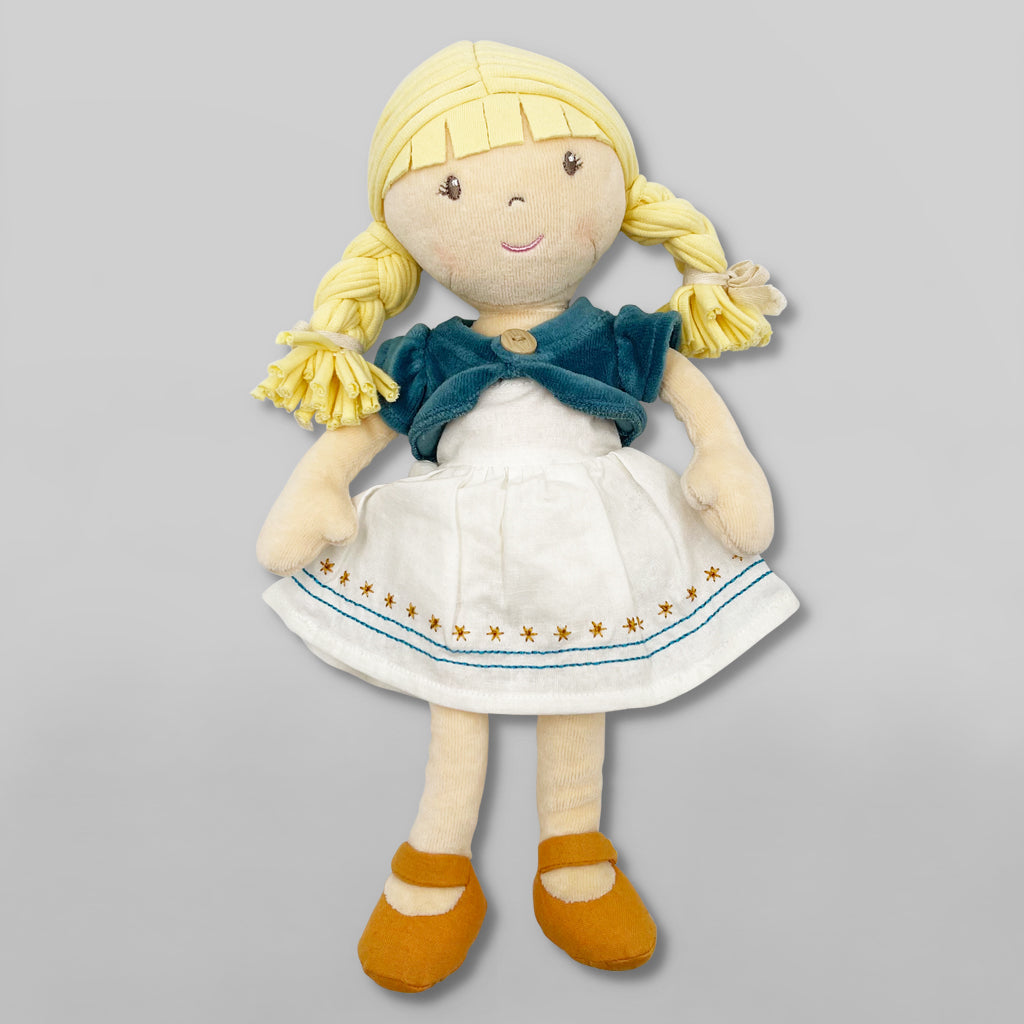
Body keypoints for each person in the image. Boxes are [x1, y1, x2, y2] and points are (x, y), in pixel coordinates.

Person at [254, 40, 798, 993]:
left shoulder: (615, 337)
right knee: (456, 694)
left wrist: (721, 455)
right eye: (454, 190)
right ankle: (434, 868)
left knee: (577, 688)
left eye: (567, 168)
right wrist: (318, 485)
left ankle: (574, 863)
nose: (516, 209)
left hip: (592, 533)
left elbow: (690, 397)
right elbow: (362, 429)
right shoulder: (426, 352)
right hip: (457, 545)